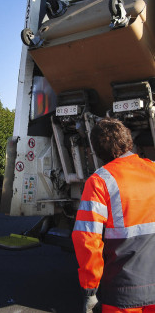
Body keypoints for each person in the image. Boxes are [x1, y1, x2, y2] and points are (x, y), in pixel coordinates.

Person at [72, 118, 155, 313]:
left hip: (122, 291)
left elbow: (87, 239)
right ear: (128, 140)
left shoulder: (99, 181)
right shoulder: (153, 169)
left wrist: (90, 289)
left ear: (97, 151)